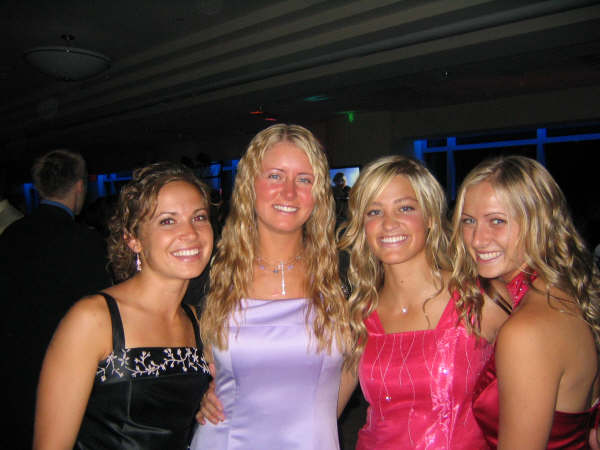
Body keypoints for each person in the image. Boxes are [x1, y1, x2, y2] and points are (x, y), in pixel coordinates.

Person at [190, 124, 352, 450]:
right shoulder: (209, 273)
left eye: (304, 180)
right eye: (275, 176)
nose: (289, 193)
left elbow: (357, 364)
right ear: (250, 184)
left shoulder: (345, 273)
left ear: (319, 192)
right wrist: (195, 395)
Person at [33, 162, 213, 449]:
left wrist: (210, 400)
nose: (190, 233)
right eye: (168, 221)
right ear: (133, 239)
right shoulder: (94, 319)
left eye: (199, 217)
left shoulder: (198, 321)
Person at [336, 155, 508, 449]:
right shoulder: (358, 315)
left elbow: (556, 363)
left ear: (429, 217)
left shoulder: (479, 300)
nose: (388, 224)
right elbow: (320, 411)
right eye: (374, 212)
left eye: (405, 208)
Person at [450, 155, 600, 449]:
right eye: (469, 221)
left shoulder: (526, 331)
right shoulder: (565, 292)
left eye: (497, 221)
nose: (477, 239)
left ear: (539, 222)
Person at [0, 149, 111, 448]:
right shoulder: (85, 242)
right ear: (80, 187)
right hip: (63, 373)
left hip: (11, 368)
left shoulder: (10, 235)